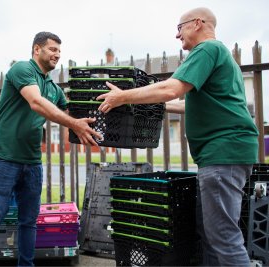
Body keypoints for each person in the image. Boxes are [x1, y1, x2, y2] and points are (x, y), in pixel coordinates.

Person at [97, 7, 258, 267]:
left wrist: (123, 96)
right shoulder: (221, 55)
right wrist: (140, 105)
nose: (177, 35)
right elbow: (186, 104)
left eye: (179, 28)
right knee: (212, 236)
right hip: (226, 154)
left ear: (197, 24)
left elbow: (172, 88)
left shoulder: (206, 50)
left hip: (222, 154)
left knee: (224, 238)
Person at [0, 31, 101, 267]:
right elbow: (36, 103)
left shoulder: (53, 87)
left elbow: (73, 112)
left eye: (59, 51)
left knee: (29, 221)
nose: (57, 55)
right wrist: (73, 123)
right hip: (3, 157)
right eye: (52, 49)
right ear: (36, 50)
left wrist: (101, 110)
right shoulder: (22, 69)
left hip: (31, 161)